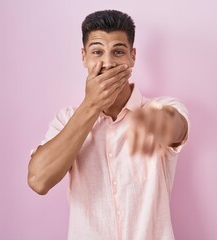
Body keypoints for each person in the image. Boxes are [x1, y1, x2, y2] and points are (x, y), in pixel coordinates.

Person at [28, 9, 189, 240]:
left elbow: (177, 129)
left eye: (118, 52)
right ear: (84, 57)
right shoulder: (66, 120)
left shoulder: (160, 108)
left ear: (132, 56)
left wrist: (153, 122)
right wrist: (91, 106)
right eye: (97, 52)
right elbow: (38, 181)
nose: (108, 62)